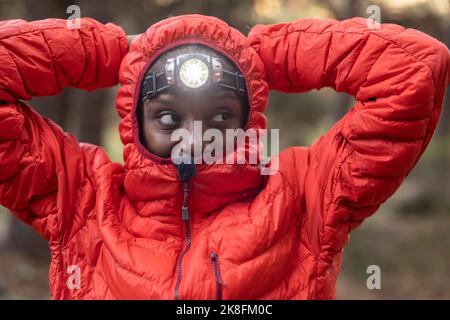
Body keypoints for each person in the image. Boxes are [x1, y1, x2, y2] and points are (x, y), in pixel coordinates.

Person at [0, 14, 448, 300]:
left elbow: (412, 68)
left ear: (248, 119)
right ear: (134, 121)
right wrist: (120, 54)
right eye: (169, 116)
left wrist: (257, 56)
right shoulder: (83, 199)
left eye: (219, 114)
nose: (194, 136)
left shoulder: (306, 197)